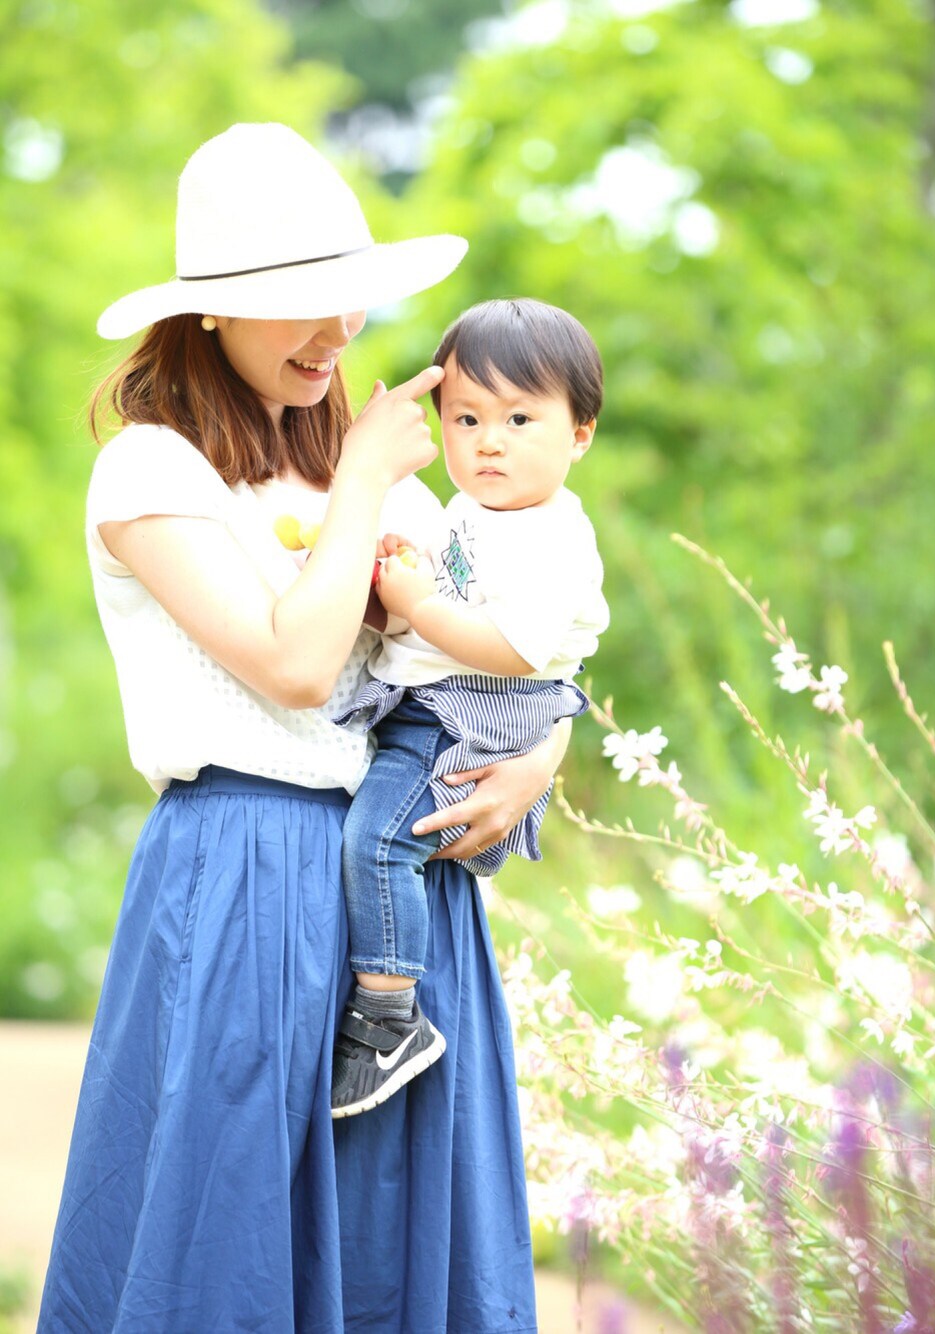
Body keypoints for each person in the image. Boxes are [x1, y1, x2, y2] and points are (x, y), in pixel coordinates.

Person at [38, 122, 563, 1333]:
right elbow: (293, 662)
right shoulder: (151, 472)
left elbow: (515, 639)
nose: (336, 339)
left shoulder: (368, 467)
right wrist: (371, 482)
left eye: (350, 306)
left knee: (398, 1235)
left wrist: (539, 756)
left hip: (407, 883)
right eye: (300, 309)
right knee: (227, 1230)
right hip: (246, 874)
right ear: (210, 313)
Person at [329, 298, 608, 1119]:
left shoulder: (550, 535)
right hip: (447, 706)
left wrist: (418, 601)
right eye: (467, 417)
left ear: (580, 433)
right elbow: (455, 598)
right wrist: (406, 575)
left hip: (473, 717)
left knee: (380, 843)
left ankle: (388, 1019)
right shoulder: (477, 514)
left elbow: (512, 649)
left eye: (521, 418)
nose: (490, 441)